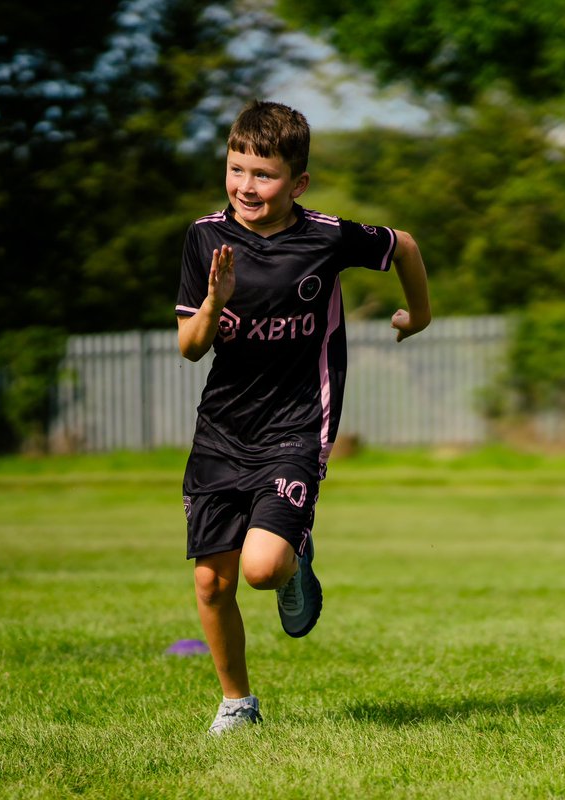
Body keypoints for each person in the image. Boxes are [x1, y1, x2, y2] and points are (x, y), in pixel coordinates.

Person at [175, 101, 431, 734]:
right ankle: (237, 703)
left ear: (298, 183)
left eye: (263, 175)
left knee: (262, 570)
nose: (246, 186)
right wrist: (215, 300)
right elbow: (190, 346)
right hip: (221, 430)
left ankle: (293, 554)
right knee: (212, 582)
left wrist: (419, 316)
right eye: (237, 170)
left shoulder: (327, 236)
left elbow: (404, 245)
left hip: (297, 424)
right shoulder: (205, 237)